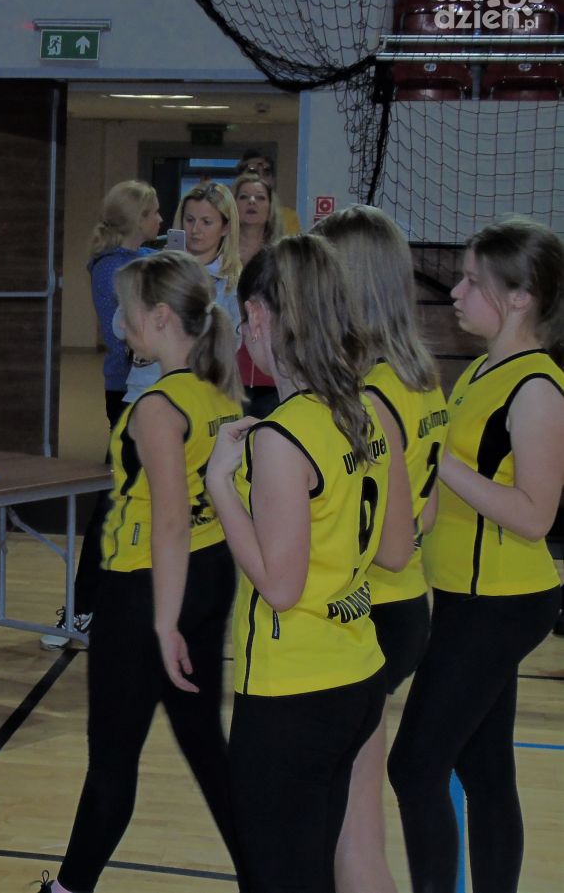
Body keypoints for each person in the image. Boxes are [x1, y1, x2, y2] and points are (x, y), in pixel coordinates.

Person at [205, 235, 414, 893]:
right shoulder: (366, 410)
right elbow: (396, 549)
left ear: (259, 315)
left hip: (292, 696)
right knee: (323, 868)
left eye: (244, 318)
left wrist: (220, 487)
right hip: (358, 674)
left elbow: (280, 585)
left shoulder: (284, 435)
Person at [38, 251, 245, 893]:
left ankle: (68, 888)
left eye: (125, 313)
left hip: (148, 589)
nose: (117, 324)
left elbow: (171, 521)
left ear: (159, 318)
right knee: (206, 746)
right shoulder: (217, 391)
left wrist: (162, 623)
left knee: (113, 758)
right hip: (209, 575)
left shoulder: (160, 406)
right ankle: (268, 876)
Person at [387, 218, 564, 893]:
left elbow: (534, 515)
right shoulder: (485, 369)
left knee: (414, 765)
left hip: (502, 603)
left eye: (471, 281)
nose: (455, 293)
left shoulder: (538, 388)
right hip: (467, 594)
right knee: (486, 771)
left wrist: (443, 463)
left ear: (519, 297)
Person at [314, 205, 447, 893]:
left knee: (348, 835)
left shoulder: (372, 398)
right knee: (353, 822)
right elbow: (426, 509)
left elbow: (389, 545)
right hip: (405, 608)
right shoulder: (419, 378)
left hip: (374, 614)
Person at [40, 180, 162, 649]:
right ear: (137, 220)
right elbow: (127, 341)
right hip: (128, 395)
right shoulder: (113, 269)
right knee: (117, 499)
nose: (162, 220)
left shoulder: (142, 260)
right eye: (154, 213)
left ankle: (126, 603)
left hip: (157, 394)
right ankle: (83, 607)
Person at [125, 182, 242, 404]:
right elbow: (120, 325)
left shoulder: (233, 283)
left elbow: (233, 345)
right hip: (145, 388)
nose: (195, 230)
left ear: (226, 228)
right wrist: (160, 276)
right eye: (189, 220)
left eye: (206, 222)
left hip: (203, 393)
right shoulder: (153, 266)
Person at [231, 172, 281, 418]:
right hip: (229, 373)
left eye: (260, 197)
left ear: (270, 207)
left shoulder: (283, 257)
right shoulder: (218, 254)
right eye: (244, 197)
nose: (252, 202)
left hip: (272, 372)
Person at [235, 150, 300, 236]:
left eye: (266, 173)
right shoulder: (225, 216)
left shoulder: (288, 218)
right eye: (252, 172)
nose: (260, 177)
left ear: (274, 180)